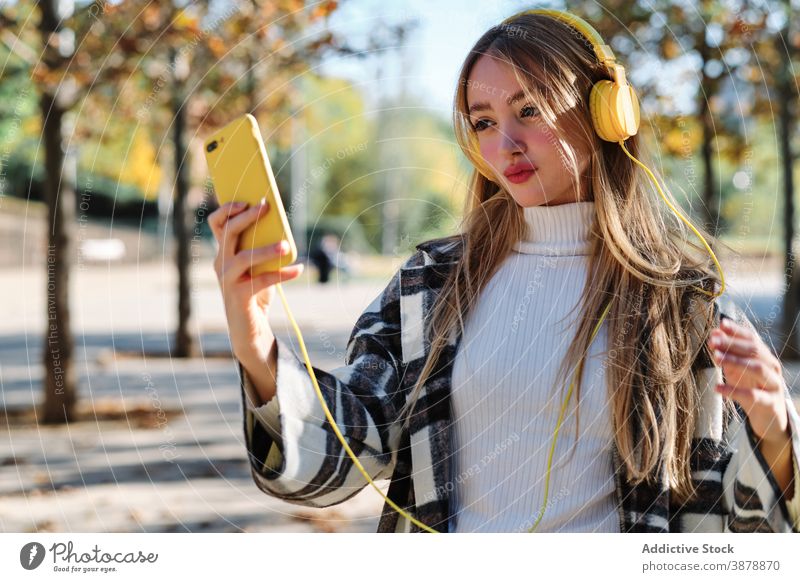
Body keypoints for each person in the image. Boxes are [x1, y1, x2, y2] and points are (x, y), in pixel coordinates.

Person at [208, 9, 800, 533]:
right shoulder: (430, 285)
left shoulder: (680, 304)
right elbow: (340, 458)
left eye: (530, 110)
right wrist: (254, 339)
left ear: (606, 114)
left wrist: (774, 432)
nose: (505, 144)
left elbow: (730, 530)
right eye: (484, 121)